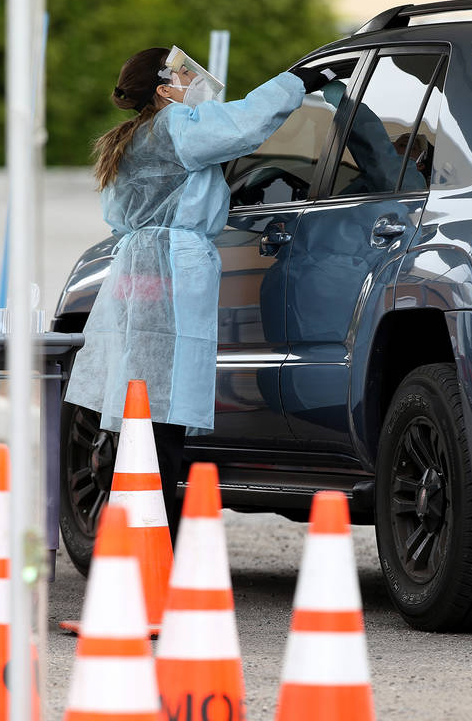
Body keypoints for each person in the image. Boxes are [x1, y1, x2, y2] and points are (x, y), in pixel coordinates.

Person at [64, 46, 335, 527]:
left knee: (141, 400)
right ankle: (156, 537)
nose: (196, 83)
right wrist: (296, 82)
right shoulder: (173, 128)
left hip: (141, 266)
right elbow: (242, 124)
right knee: (161, 410)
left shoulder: (137, 136)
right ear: (164, 89)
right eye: (185, 77)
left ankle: (132, 525)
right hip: (171, 268)